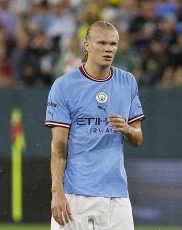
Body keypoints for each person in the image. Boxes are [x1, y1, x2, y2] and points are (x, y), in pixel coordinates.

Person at [45, 20, 145, 230]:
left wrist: (127, 129)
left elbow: (138, 139)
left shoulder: (127, 82)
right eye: (102, 43)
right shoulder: (64, 86)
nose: (108, 49)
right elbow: (58, 146)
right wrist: (57, 192)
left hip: (116, 195)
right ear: (87, 45)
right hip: (75, 194)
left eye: (113, 44)